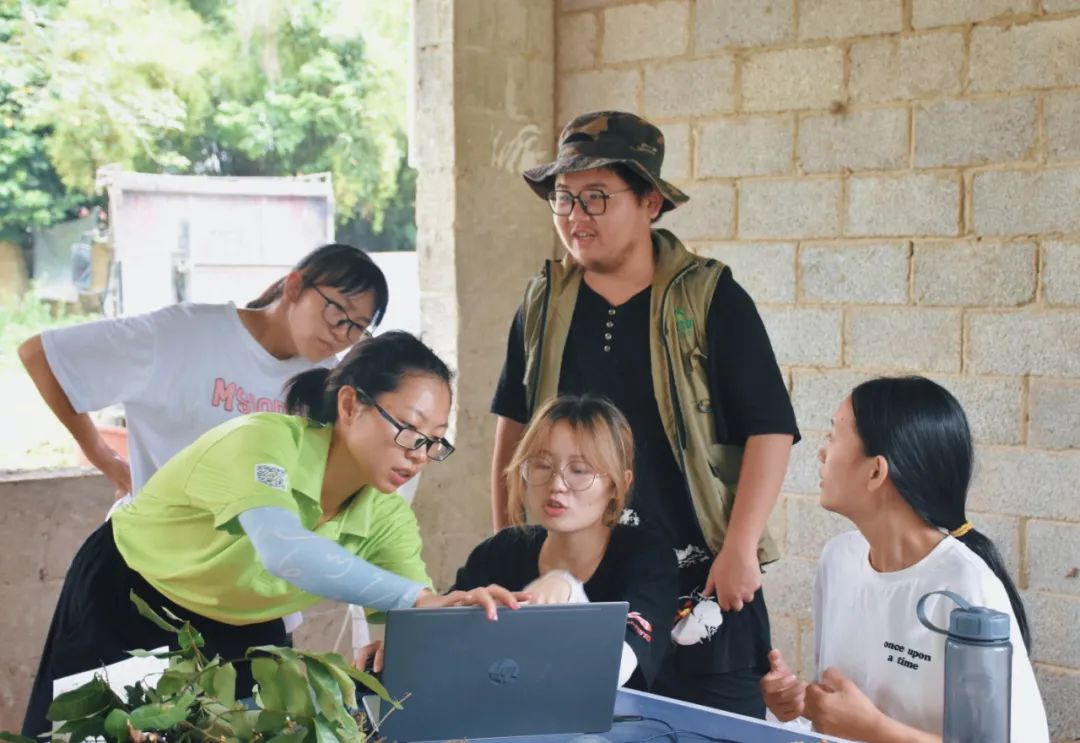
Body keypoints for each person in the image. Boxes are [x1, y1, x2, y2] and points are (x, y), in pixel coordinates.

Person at [22, 332, 524, 737]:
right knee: (92, 733)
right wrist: (417, 601)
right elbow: (284, 552)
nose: (419, 453)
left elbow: (414, 618)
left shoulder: (385, 515)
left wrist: (453, 620)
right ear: (350, 404)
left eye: (435, 441)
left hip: (241, 626)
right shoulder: (263, 442)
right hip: (131, 598)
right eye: (411, 429)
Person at [489, 110, 798, 716]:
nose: (575, 216)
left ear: (650, 202)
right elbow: (514, 428)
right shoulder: (543, 302)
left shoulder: (710, 299)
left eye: (597, 197)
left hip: (698, 585)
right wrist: (509, 539)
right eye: (564, 198)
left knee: (714, 724)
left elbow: (772, 428)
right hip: (586, 579)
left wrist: (740, 548)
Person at [760, 376, 1049, 742]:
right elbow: (845, 711)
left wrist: (873, 730)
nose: (821, 452)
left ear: (876, 471)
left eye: (833, 436)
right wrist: (801, 703)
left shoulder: (969, 588)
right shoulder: (838, 561)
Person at [18, 242, 387, 501]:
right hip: (152, 570)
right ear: (294, 286)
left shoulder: (331, 381)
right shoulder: (186, 334)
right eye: (337, 314)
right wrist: (106, 459)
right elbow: (43, 356)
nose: (341, 335)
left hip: (250, 579)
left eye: (357, 327)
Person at [443, 395, 676, 688]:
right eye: (541, 465)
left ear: (618, 484)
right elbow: (443, 650)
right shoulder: (498, 552)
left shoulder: (646, 559)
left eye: (579, 471)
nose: (556, 484)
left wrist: (569, 589)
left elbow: (610, 670)